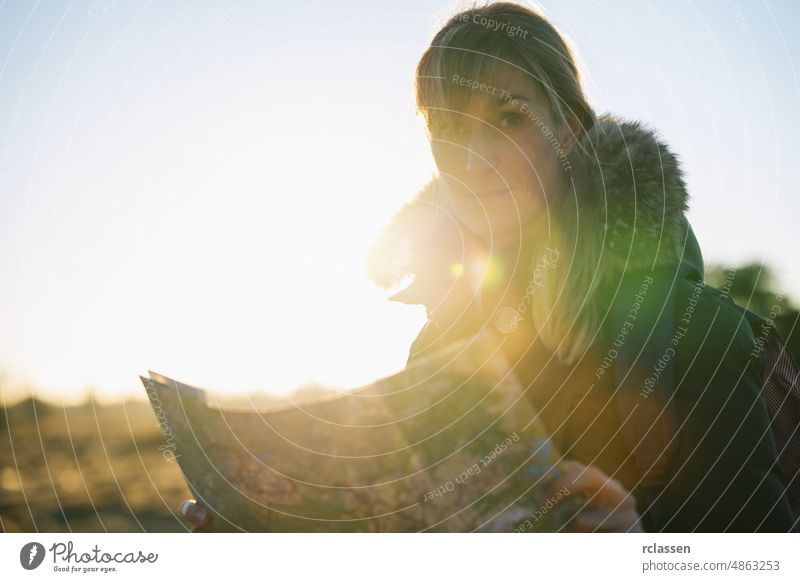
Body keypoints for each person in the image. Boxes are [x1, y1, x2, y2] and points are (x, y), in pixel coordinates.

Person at [181, 2, 797, 532]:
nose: (474, 158)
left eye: (508, 118)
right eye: (450, 128)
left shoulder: (694, 329)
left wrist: (635, 544)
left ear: (572, 131)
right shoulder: (435, 350)